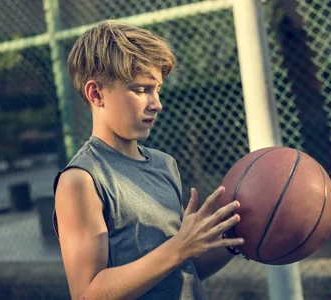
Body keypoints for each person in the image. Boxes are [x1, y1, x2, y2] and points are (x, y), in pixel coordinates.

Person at [52, 20, 245, 300]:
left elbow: (181, 269)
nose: (157, 103)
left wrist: (234, 241)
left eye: (158, 89)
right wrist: (178, 247)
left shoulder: (164, 164)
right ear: (96, 94)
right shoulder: (81, 180)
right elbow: (86, 294)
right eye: (142, 89)